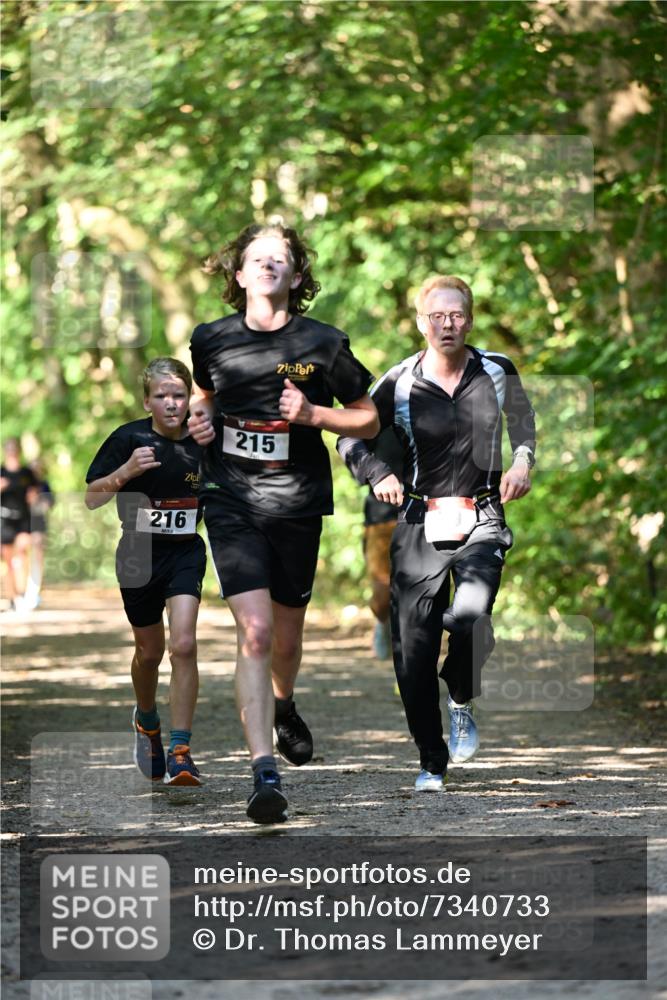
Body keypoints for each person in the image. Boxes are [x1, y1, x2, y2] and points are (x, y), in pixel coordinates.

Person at [188, 222, 379, 824]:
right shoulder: (210, 339)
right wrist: (199, 420)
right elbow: (205, 396)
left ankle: (284, 701)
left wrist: (316, 412)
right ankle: (264, 774)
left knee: (287, 643)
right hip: (230, 499)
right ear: (238, 274)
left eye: (281, 258)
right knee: (256, 634)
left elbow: (368, 419)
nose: (269, 264)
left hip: (296, 503)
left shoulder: (323, 343)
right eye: (256, 257)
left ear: (296, 277)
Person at [337, 275, 535, 792]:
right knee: (415, 649)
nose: (448, 324)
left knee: (472, 617)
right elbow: (349, 437)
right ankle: (431, 759)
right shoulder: (399, 381)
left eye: (457, 315)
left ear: (469, 319)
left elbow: (524, 420)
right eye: (437, 316)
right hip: (418, 521)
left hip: (483, 516)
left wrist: (522, 461)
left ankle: (461, 695)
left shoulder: (496, 370)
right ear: (421, 323)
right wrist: (378, 473)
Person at [85, 357, 206, 786]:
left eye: (179, 395)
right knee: (150, 653)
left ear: (190, 397)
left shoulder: (201, 439)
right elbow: (92, 497)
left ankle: (181, 750)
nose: (171, 404)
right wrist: (126, 471)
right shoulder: (128, 438)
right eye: (161, 396)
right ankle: (147, 720)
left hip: (185, 552)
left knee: (185, 644)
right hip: (137, 556)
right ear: (146, 400)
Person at [338, 427, 403, 660]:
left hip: (433, 515)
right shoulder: (382, 402)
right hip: (382, 514)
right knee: (382, 592)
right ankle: (382, 623)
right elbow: (349, 442)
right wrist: (375, 473)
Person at [1, 438, 37, 612]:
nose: (12, 452)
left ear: (19, 451)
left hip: (23, 518)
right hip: (5, 519)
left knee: (22, 553)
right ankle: (12, 597)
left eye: (14, 448)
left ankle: (23, 593)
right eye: (9, 448)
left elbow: (36, 491)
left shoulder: (26, 473)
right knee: (8, 561)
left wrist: (34, 496)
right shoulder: (1, 472)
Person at [23, 457, 55, 610]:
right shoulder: (22, 484)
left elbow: (47, 505)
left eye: (38, 468)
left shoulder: (44, 485)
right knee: (22, 558)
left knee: (37, 558)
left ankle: (33, 592)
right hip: (21, 525)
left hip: (38, 524)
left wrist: (36, 501)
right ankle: (21, 592)